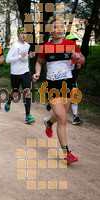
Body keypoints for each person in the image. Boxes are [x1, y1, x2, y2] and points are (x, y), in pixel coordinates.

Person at [32, 17, 85, 164]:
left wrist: (78, 59)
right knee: (62, 119)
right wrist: (37, 72)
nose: (59, 30)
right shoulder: (45, 47)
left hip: (67, 84)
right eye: (55, 27)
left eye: (61, 27)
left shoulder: (71, 44)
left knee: (60, 115)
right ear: (50, 30)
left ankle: (48, 123)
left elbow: (81, 60)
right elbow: (39, 61)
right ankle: (66, 153)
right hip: (53, 86)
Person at [5, 27, 36, 124]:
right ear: (18, 34)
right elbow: (7, 60)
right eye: (22, 33)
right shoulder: (14, 46)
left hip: (25, 71)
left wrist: (29, 56)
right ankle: (9, 100)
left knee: (27, 91)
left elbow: (25, 57)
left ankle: (28, 116)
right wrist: (20, 56)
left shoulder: (27, 45)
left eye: (25, 33)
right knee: (15, 93)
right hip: (15, 73)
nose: (23, 35)